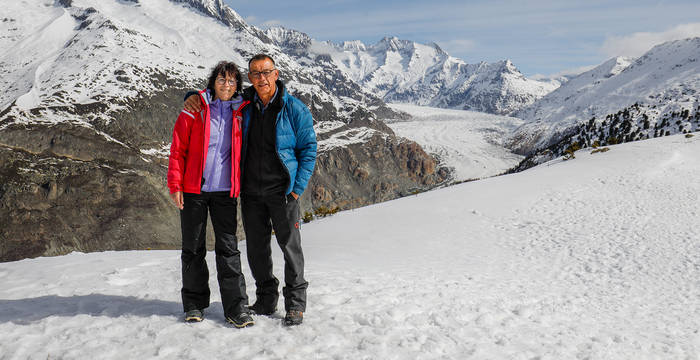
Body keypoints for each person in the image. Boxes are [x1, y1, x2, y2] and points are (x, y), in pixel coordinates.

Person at [184, 54, 317, 326]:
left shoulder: (293, 108)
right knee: (256, 250)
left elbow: (309, 148)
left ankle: (295, 304)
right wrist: (191, 95)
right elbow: (216, 94)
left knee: (290, 248)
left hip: (283, 192)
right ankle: (266, 299)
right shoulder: (243, 103)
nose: (261, 78)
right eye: (255, 73)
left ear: (276, 74)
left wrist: (297, 188)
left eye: (266, 72)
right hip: (251, 193)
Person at [167, 61, 254, 328]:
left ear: (238, 85)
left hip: (225, 192)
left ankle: (236, 307)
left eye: (231, 81)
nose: (226, 85)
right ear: (212, 82)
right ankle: (194, 304)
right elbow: (178, 150)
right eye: (221, 79)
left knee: (228, 249)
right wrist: (175, 185)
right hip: (194, 191)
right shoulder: (194, 111)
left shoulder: (243, 111)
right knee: (193, 248)